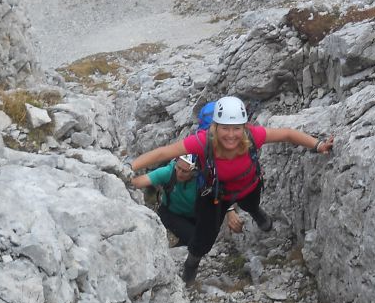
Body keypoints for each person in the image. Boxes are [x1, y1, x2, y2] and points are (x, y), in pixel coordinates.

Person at [130, 95, 335, 284]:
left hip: (248, 186)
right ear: (215, 127)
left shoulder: (252, 136)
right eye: (225, 128)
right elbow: (163, 153)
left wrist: (318, 145)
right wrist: (128, 169)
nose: (230, 135)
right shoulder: (202, 142)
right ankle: (191, 264)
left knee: (251, 203)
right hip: (214, 195)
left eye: (236, 128)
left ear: (244, 126)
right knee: (204, 239)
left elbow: (288, 134)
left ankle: (255, 212)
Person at [131, 153, 243, 247]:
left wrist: (230, 212)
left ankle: (182, 244)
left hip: (196, 216)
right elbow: (141, 181)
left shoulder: (203, 179)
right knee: (197, 240)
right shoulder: (169, 172)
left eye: (184, 171)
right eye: (178, 168)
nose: (179, 173)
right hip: (171, 213)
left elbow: (218, 191)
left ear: (195, 171)